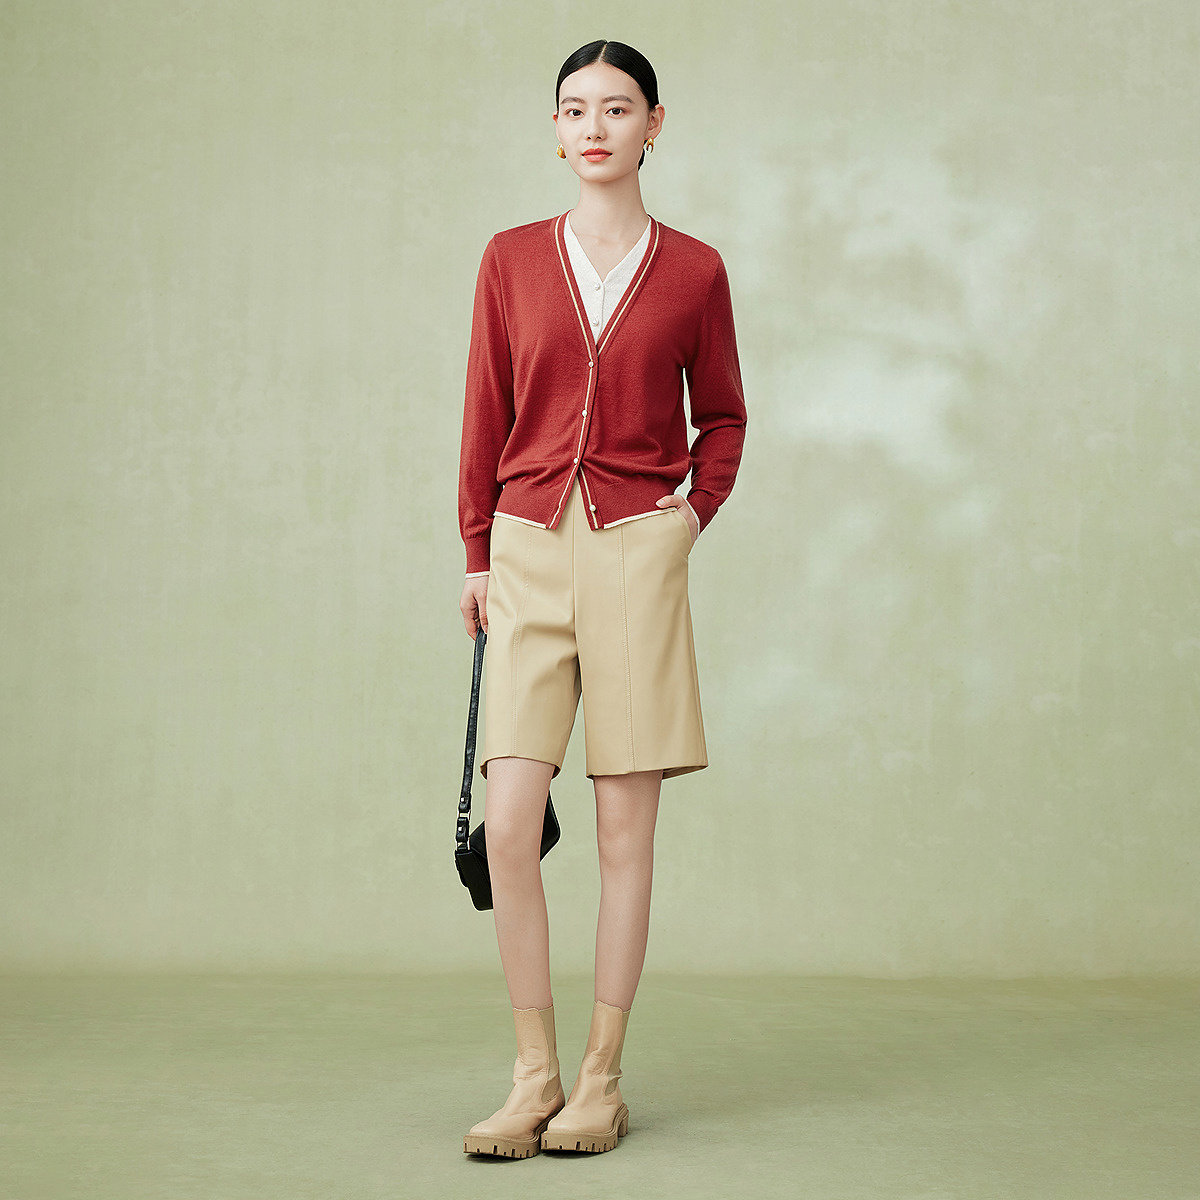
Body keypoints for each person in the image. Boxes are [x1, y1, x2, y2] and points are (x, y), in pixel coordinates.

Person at [458, 38, 747, 1159]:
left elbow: (724, 416)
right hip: (527, 549)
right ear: (555, 129)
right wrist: (475, 553)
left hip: (636, 553)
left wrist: (687, 518)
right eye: (574, 109)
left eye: (617, 109)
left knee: (626, 830)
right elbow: (484, 411)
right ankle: (531, 1074)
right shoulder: (510, 258)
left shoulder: (696, 271)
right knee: (511, 823)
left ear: (653, 126)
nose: (594, 127)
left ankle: (599, 1079)